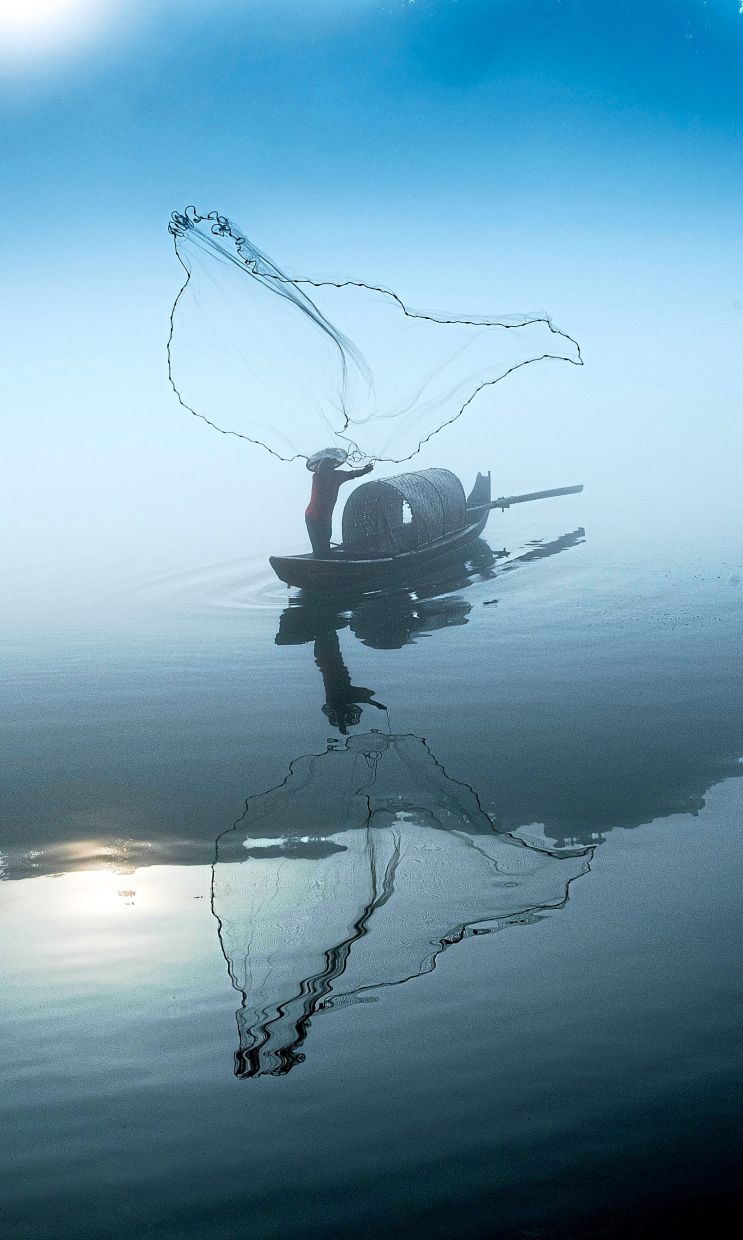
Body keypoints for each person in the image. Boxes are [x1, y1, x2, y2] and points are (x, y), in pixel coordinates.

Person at [305, 454, 373, 557]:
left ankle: (324, 560)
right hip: (313, 517)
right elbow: (353, 473)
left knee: (324, 543)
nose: (326, 470)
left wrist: (365, 470)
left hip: (324, 518)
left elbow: (353, 473)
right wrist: (365, 470)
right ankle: (321, 562)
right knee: (319, 546)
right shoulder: (322, 476)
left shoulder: (329, 476)